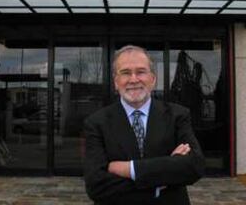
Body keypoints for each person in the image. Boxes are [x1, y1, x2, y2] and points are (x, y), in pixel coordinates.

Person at [83, 45, 205, 205]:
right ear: (116, 82)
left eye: (141, 72)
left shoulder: (178, 115)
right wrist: (165, 173)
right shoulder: (96, 122)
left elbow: (194, 166)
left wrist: (130, 169)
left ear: (153, 79)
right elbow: (96, 186)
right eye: (125, 73)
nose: (134, 79)